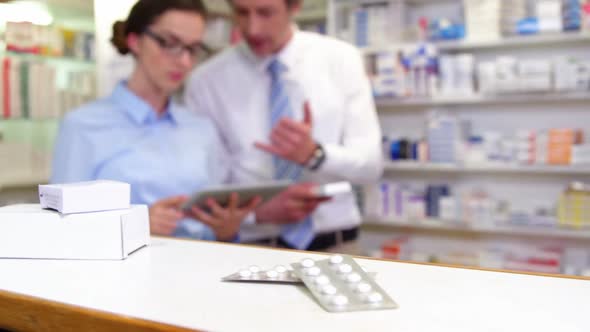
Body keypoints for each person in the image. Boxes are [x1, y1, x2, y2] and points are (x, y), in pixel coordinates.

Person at [51, 0, 261, 242]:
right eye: (169, 44)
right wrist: (134, 227)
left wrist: (226, 230)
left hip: (201, 271)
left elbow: (215, 225)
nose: (184, 61)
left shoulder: (201, 129)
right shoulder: (83, 127)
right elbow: (62, 230)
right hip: (121, 276)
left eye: (193, 49)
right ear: (134, 41)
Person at [185, 0, 383, 253]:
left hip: (336, 245)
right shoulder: (207, 81)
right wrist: (258, 212)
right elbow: (209, 185)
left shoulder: (340, 60)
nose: (253, 29)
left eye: (266, 13)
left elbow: (371, 167)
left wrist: (315, 155)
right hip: (250, 248)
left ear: (294, 7)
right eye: (241, 13)